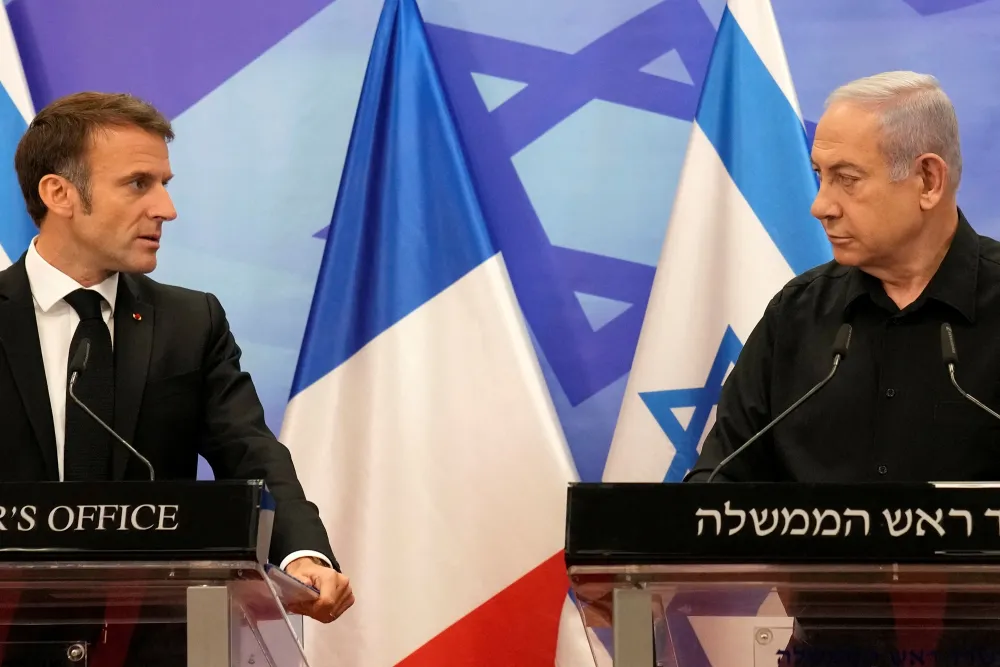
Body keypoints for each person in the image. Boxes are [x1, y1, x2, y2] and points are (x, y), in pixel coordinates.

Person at [2, 91, 353, 660]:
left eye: (164, 184)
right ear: (59, 193)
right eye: (138, 184)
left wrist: (301, 554)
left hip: (151, 643)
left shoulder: (191, 322)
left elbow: (249, 451)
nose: (166, 209)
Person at [686, 71, 999, 665]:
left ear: (927, 180)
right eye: (820, 176)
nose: (820, 205)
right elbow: (713, 490)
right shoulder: (797, 316)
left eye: (846, 179)